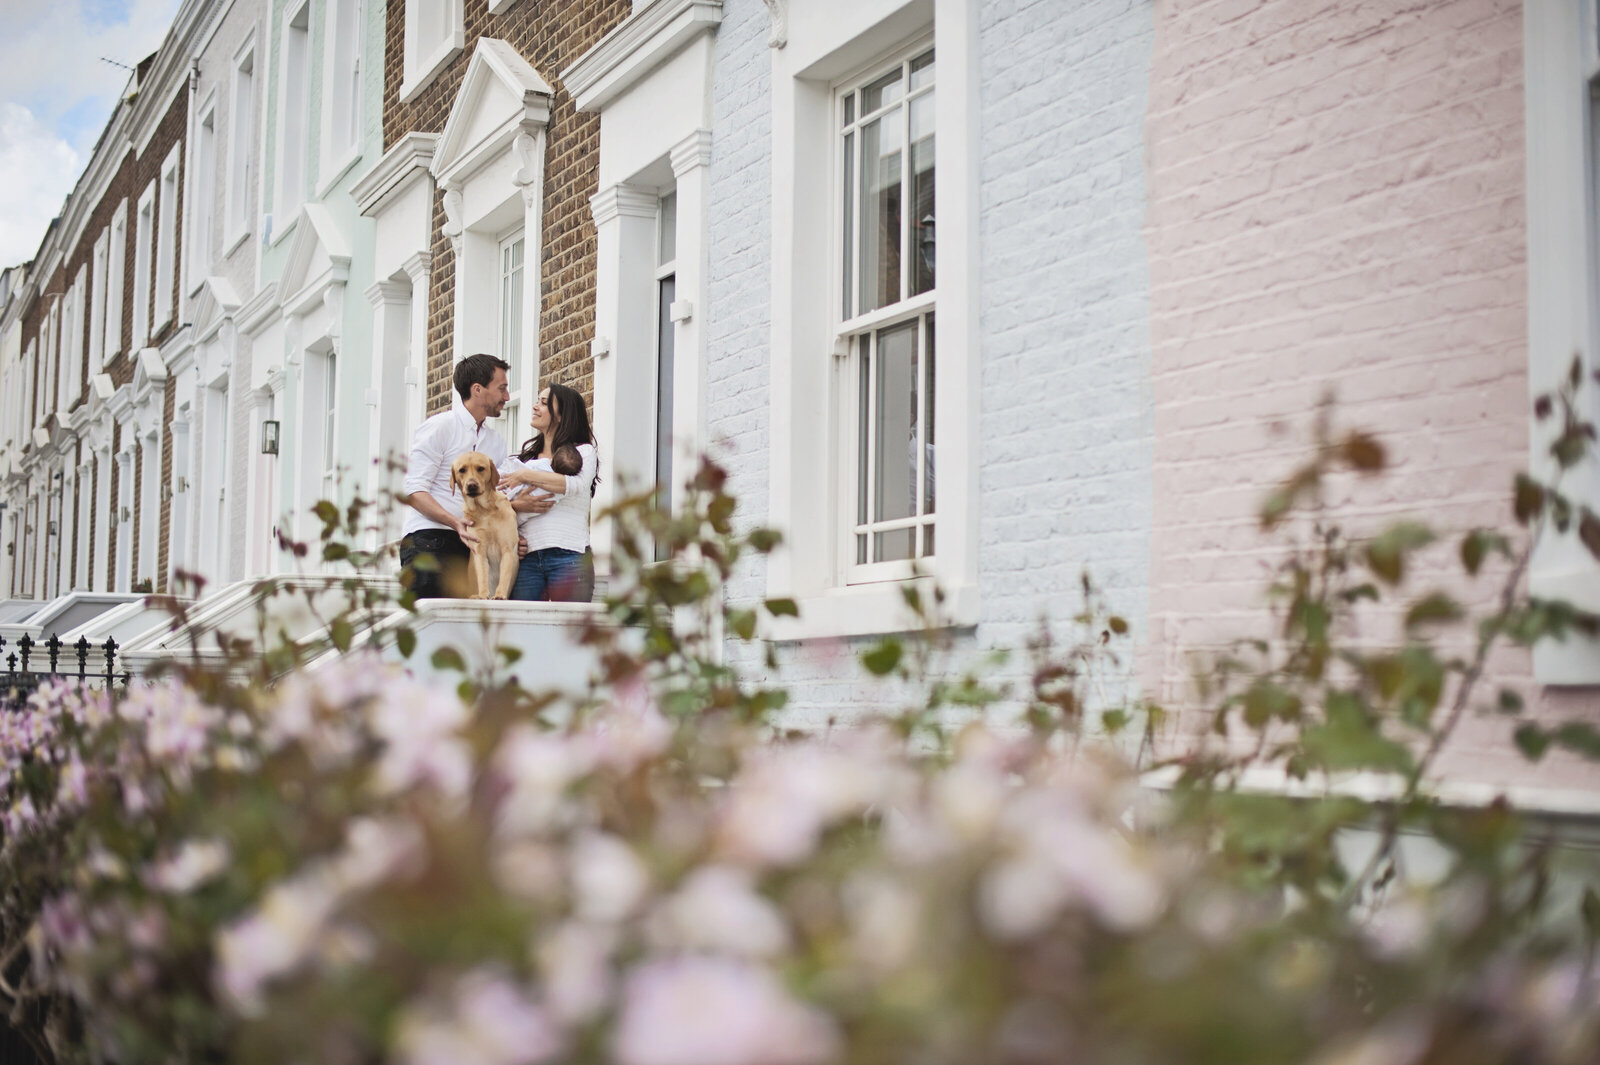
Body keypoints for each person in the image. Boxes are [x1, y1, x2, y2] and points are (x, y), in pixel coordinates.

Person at [399, 354, 553, 599]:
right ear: (477, 389)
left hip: (474, 547)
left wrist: (511, 535)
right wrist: (455, 522)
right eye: (502, 388)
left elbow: (494, 497)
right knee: (429, 630)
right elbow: (413, 492)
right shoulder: (440, 427)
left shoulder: (496, 443)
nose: (507, 397)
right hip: (431, 540)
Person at [501, 383, 599, 601]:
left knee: (570, 632)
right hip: (526, 559)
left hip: (570, 556)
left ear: (562, 415)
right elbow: (499, 505)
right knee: (522, 631)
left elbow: (573, 485)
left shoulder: (583, 452)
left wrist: (525, 476)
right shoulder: (521, 461)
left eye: (544, 403)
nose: (535, 407)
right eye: (537, 401)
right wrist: (516, 508)